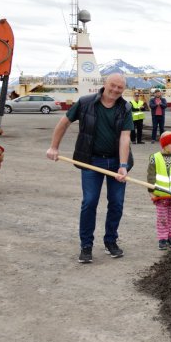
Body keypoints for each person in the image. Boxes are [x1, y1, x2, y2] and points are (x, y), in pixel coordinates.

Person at [45, 73, 134, 263]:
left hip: (117, 162)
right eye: (113, 85)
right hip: (91, 161)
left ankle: (111, 241)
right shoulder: (85, 103)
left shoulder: (125, 108)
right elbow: (64, 123)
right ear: (105, 84)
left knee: (116, 203)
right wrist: (54, 147)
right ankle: (86, 246)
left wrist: (123, 165)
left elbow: (125, 137)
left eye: (120, 87)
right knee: (90, 202)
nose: (116, 90)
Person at [147, 131, 171, 250]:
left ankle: (170, 237)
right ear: (165, 144)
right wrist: (151, 191)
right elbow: (151, 175)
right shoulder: (154, 158)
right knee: (162, 218)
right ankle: (162, 239)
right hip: (160, 195)